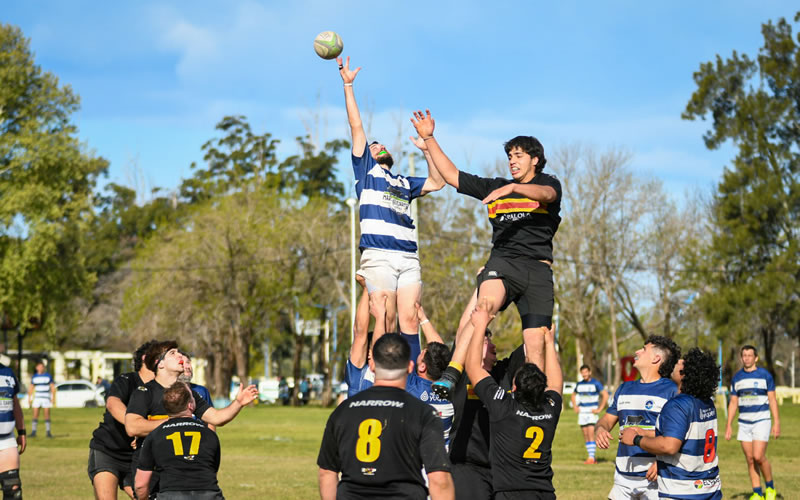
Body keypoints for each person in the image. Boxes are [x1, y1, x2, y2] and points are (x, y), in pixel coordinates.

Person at [410, 110, 561, 369]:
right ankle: (454, 372)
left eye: (519, 156)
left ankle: (533, 402)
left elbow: (546, 195)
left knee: (535, 344)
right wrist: (430, 139)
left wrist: (513, 188)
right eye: (510, 156)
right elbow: (451, 175)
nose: (512, 161)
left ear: (535, 159)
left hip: (538, 269)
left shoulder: (547, 183)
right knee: (482, 308)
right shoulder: (495, 187)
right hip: (503, 262)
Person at [337, 56, 445, 336]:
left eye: (381, 144)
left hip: (408, 256)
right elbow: (356, 127)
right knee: (385, 318)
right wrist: (348, 85)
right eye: (374, 146)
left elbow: (437, 182)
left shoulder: (404, 182)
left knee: (410, 320)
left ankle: (411, 379)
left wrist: (427, 149)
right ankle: (383, 378)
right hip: (379, 254)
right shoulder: (367, 172)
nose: (379, 145)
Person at [317, 333, 454, 500]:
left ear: (372, 366)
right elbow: (439, 480)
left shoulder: (343, 411)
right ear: (410, 367)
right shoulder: (424, 413)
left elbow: (326, 472)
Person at [125, 341, 258, 497]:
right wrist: (175, 423)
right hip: (152, 475)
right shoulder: (144, 392)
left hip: (186, 476)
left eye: (179, 352)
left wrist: (238, 403)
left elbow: (216, 418)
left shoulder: (188, 393)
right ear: (158, 364)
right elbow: (132, 427)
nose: (180, 355)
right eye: (172, 353)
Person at [465, 306, 563, 500]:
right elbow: (557, 383)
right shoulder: (550, 408)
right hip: (544, 493)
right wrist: (550, 344)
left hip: (510, 493)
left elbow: (473, 367)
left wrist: (479, 325)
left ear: (515, 389)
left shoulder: (505, 408)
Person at [621, 348, 722, 499]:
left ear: (685, 374)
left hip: (683, 491)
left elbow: (669, 445)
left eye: (682, 362)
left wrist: (636, 439)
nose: (677, 362)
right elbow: (685, 435)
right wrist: (644, 432)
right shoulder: (706, 403)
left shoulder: (677, 405)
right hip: (709, 488)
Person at [595, 336, 680, 500]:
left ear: (656, 358)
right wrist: (600, 429)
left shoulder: (671, 391)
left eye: (644, 348)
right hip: (622, 478)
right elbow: (606, 420)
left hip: (656, 478)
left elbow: (676, 436)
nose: (637, 351)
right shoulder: (625, 388)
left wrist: (661, 463)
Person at [88, 340, 157, 500]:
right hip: (108, 451)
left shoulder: (160, 388)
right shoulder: (126, 380)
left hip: (139, 457)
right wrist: (134, 427)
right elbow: (113, 404)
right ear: (146, 358)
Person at [135, 381, 224, 500]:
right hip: (210, 495)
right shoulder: (210, 434)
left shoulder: (154, 435)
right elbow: (212, 470)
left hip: (170, 495)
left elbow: (140, 485)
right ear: (190, 406)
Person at [725, 345, 780, 500]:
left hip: (761, 420)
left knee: (758, 456)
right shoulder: (737, 378)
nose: (747, 358)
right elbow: (734, 403)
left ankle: (770, 488)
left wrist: (776, 423)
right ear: (741, 357)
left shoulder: (765, 376)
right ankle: (757, 492)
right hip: (744, 423)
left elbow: (772, 400)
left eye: (750, 355)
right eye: (744, 355)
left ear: (756, 358)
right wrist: (729, 425)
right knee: (750, 459)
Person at [571, 364, 609, 464]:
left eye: (586, 372)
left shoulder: (595, 383)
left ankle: (592, 458)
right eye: (582, 372)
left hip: (591, 413)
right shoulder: (579, 384)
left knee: (591, 433)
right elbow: (573, 395)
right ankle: (590, 457)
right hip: (582, 413)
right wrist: (575, 406)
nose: (584, 374)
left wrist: (600, 408)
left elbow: (605, 395)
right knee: (585, 434)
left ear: (589, 372)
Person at [0, 361, 26, 499]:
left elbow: (15, 404)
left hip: (6, 438)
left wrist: (21, 431)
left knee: (13, 489)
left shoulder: (8, 373)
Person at [28, 361, 55, 438]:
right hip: (37, 398)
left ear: (44, 367)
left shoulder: (48, 376)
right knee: (35, 415)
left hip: (46, 398)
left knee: (47, 415)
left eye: (42, 366)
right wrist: (29, 399)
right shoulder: (34, 377)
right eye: (39, 366)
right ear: (36, 368)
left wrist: (53, 398)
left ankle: (48, 432)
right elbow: (31, 388)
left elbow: (53, 387)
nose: (40, 368)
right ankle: (33, 432)